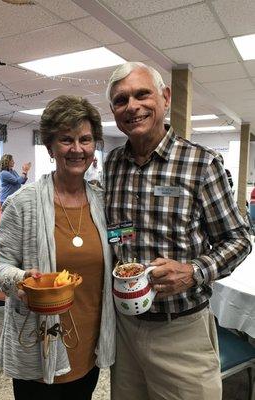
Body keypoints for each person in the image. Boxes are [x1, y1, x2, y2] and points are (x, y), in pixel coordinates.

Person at [104, 62, 252, 400]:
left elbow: (239, 239)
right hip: (124, 330)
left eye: (143, 94)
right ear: (113, 110)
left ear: (165, 97)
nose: (133, 106)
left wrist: (194, 271)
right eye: (121, 100)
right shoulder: (111, 165)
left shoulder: (202, 163)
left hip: (182, 330)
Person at [0, 95, 115, 400]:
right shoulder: (23, 203)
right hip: (39, 343)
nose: (77, 148)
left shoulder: (102, 202)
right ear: (50, 147)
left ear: (94, 146)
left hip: (88, 343)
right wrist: (20, 280)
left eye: (85, 139)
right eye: (66, 139)